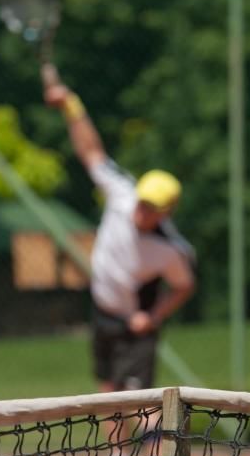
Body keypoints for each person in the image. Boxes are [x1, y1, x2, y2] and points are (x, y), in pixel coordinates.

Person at [41, 64, 196, 395]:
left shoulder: (171, 248)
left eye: (152, 207)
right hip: (102, 311)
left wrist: (153, 317)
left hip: (134, 323)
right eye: (143, 202)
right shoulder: (123, 193)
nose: (142, 210)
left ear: (166, 211)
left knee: (140, 402)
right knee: (107, 393)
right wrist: (71, 105)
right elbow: (91, 151)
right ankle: (119, 451)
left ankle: (157, 448)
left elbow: (184, 286)